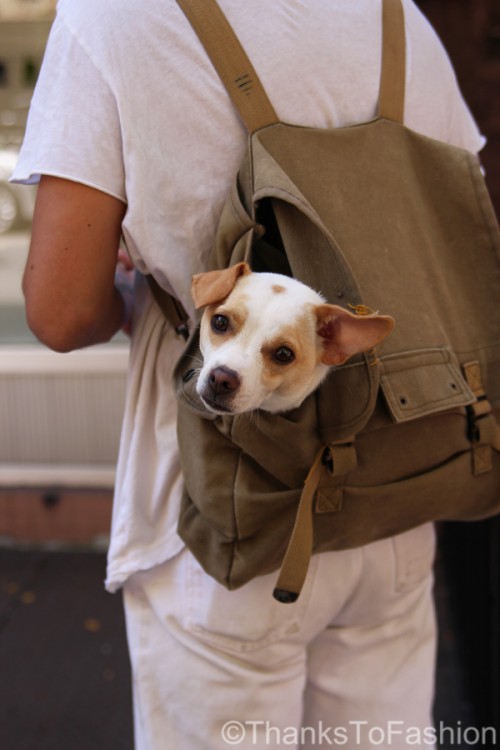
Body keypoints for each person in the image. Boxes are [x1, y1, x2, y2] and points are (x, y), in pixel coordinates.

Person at [11, 1, 485, 748]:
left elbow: (61, 311)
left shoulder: (113, 17)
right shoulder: (397, 18)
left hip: (226, 513)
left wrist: (141, 290)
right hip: (392, 500)